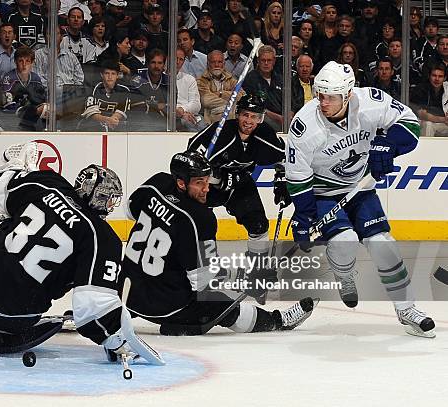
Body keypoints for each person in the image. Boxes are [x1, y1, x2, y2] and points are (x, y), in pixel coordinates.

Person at [0, 142, 163, 367]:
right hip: (16, 312)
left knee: (7, 216)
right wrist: (114, 338)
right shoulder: (102, 237)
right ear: (96, 195)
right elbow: (89, 308)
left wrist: (20, 170)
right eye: (108, 198)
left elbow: (0, 194)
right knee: (81, 274)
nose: (111, 205)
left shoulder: (50, 182)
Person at [285, 61, 436, 338]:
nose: (323, 102)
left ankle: (407, 309)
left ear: (348, 94)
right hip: (323, 191)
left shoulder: (370, 102)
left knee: (383, 244)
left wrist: (388, 145)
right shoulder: (305, 126)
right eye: (320, 95)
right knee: (345, 242)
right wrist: (304, 216)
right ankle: (344, 274)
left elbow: (410, 123)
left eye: (330, 97)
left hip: (360, 186)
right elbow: (298, 177)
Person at [120, 150, 315, 335]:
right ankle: (277, 321)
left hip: (126, 294)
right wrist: (246, 278)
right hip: (166, 306)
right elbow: (204, 280)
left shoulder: (157, 183)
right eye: (199, 183)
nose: (206, 189)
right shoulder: (200, 218)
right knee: (218, 303)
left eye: (207, 181)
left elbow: (129, 211)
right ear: (181, 183)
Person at [187, 92, 290, 303]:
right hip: (209, 186)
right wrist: (217, 179)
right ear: (237, 114)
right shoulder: (220, 132)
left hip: (240, 184)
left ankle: (256, 275)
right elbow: (191, 158)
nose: (249, 121)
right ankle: (196, 273)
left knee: (259, 226)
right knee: (200, 226)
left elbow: (285, 157)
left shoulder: (264, 135)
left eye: (254, 117)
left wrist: (282, 181)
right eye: (245, 115)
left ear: (261, 118)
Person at [1, 46, 48, 131]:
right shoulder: (9, 78)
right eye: (20, 61)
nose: (24, 64)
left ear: (32, 63)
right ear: (15, 62)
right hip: (12, 119)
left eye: (27, 61)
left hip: (33, 118)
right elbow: (7, 105)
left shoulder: (36, 79)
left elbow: (41, 100)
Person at [80, 58, 131, 131]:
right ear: (101, 75)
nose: (110, 77)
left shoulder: (124, 90)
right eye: (107, 73)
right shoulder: (93, 88)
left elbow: (121, 111)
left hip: (114, 125)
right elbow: (91, 113)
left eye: (113, 74)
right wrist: (106, 120)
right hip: (93, 126)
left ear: (117, 75)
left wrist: (111, 120)